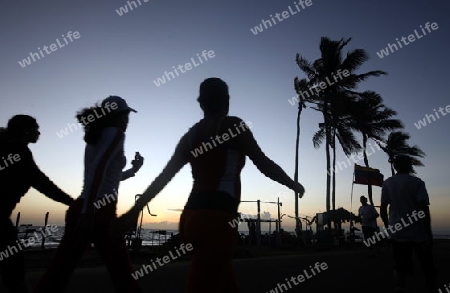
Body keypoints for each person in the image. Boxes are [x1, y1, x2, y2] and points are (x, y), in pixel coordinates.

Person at [116, 77, 305, 293]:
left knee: (223, 283)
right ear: (226, 100)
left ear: (201, 103)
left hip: (190, 219)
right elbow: (264, 164)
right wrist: (292, 184)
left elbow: (163, 178)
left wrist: (134, 211)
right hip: (218, 220)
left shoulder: (190, 136)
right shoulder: (234, 126)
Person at [34, 96, 144, 292]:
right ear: (118, 116)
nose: (127, 120)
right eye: (126, 115)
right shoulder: (116, 134)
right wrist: (88, 213)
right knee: (121, 271)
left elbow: (107, 176)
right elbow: (98, 170)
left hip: (86, 207)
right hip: (98, 211)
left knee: (60, 270)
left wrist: (134, 170)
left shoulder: (98, 135)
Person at [0, 115, 74, 293]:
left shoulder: (10, 148)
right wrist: (73, 202)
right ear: (25, 131)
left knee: (12, 263)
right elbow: (42, 183)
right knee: (13, 266)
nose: (39, 132)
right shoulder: (19, 153)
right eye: (35, 128)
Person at [380, 155, 437, 293]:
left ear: (395, 166)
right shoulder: (417, 182)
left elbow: (383, 209)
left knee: (399, 265)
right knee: (427, 265)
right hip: (419, 232)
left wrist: (389, 227)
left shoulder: (388, 183)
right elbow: (424, 208)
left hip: (398, 232)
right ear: (410, 166)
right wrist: (428, 233)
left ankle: (399, 288)